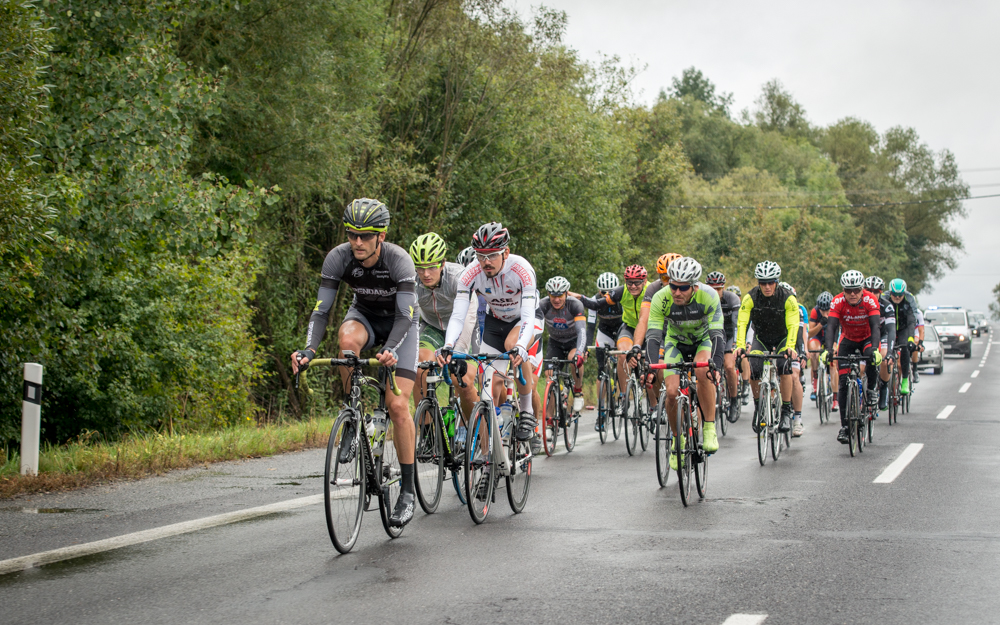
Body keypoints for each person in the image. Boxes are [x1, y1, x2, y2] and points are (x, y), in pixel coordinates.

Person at [290, 198, 419, 527]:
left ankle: (407, 492)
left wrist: (390, 349)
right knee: (347, 341)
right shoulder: (339, 257)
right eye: (352, 235)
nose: (357, 242)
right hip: (364, 316)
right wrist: (308, 350)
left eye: (365, 236)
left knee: (398, 406)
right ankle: (353, 413)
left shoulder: (399, 260)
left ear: (381, 236)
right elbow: (321, 310)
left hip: (400, 327)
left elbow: (405, 317)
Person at [438, 222, 539, 452]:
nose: (486, 262)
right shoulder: (470, 273)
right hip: (496, 323)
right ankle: (488, 457)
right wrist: (449, 344)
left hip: (523, 320)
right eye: (481, 256)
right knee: (488, 391)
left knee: (513, 345)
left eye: (492, 255)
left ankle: (526, 412)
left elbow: (528, 316)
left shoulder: (521, 269)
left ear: (506, 252)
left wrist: (521, 346)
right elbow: (458, 315)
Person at [644, 257, 725, 467]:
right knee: (671, 392)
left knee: (704, 371)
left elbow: (717, 334)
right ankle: (677, 440)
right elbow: (653, 336)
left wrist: (716, 365)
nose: (677, 292)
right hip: (675, 343)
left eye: (683, 288)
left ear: (694, 286)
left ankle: (709, 427)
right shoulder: (661, 298)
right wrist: (650, 367)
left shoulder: (709, 296)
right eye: (673, 286)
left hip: (702, 341)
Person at [409, 233, 479, 418]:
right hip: (433, 327)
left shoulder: (458, 277)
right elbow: (406, 316)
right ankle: (426, 431)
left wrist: (459, 351)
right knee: (420, 369)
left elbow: (468, 314)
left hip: (465, 326)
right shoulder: (411, 281)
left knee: (462, 380)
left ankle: (480, 433)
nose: (425, 274)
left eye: (432, 267)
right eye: (420, 268)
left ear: (442, 264)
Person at [735, 261, 800, 434]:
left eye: (771, 282)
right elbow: (742, 323)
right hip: (761, 338)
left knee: (784, 367)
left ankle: (786, 410)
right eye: (763, 283)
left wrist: (790, 347)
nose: (767, 287)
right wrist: (740, 346)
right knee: (754, 367)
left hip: (782, 339)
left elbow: (793, 325)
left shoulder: (788, 298)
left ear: (776, 282)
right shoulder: (750, 297)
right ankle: (758, 408)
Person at [822, 270, 881, 444]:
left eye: (856, 290)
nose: (853, 294)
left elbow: (876, 326)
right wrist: (828, 350)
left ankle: (871, 390)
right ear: (843, 291)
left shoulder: (871, 300)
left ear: (862, 289)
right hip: (847, 340)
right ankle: (845, 427)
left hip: (867, 339)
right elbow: (831, 327)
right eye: (848, 290)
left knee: (871, 356)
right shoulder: (837, 301)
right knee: (843, 383)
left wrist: (876, 349)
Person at [571, 272, 624, 431]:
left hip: (621, 330)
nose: (606, 296)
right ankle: (601, 413)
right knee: (601, 372)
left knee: (623, 359)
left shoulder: (622, 299)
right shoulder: (595, 300)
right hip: (604, 332)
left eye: (609, 292)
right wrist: (585, 347)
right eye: (603, 292)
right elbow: (591, 326)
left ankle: (622, 396)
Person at [536, 276, 588, 416]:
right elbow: (535, 330)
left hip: (574, 341)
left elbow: (581, 331)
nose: (556, 299)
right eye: (553, 296)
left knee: (573, 359)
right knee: (550, 378)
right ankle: (549, 419)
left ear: (566, 293)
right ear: (548, 294)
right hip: (555, 342)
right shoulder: (543, 305)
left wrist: (580, 352)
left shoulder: (575, 305)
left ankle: (578, 391)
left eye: (560, 295)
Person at [705, 271, 742, 423]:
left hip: (728, 335)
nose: (715, 292)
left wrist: (735, 344)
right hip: (711, 335)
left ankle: (734, 400)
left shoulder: (732, 299)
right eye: (712, 289)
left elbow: (736, 324)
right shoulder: (703, 299)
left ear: (723, 288)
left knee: (729, 366)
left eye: (718, 289)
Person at [865, 276, 896, 410]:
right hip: (866, 335)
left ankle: (883, 387)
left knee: (884, 358)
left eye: (876, 291)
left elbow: (891, 330)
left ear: (881, 292)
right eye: (869, 291)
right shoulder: (860, 304)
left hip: (882, 334)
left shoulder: (887, 306)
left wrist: (890, 352)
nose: (872, 294)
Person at [887, 279, 921, 396]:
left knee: (905, 347)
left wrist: (911, 339)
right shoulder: (885, 298)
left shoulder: (910, 299)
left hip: (903, 328)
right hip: (889, 328)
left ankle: (905, 379)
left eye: (900, 295)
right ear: (890, 292)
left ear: (904, 293)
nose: (897, 297)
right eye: (894, 295)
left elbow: (912, 321)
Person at [808, 291, 838, 412]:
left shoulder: (835, 311)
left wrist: (834, 346)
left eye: (827, 311)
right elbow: (810, 333)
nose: (825, 313)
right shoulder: (815, 311)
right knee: (814, 352)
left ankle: (835, 399)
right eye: (822, 311)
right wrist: (821, 324)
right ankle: (815, 382)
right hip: (818, 336)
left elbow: (837, 332)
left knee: (833, 362)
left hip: (831, 336)